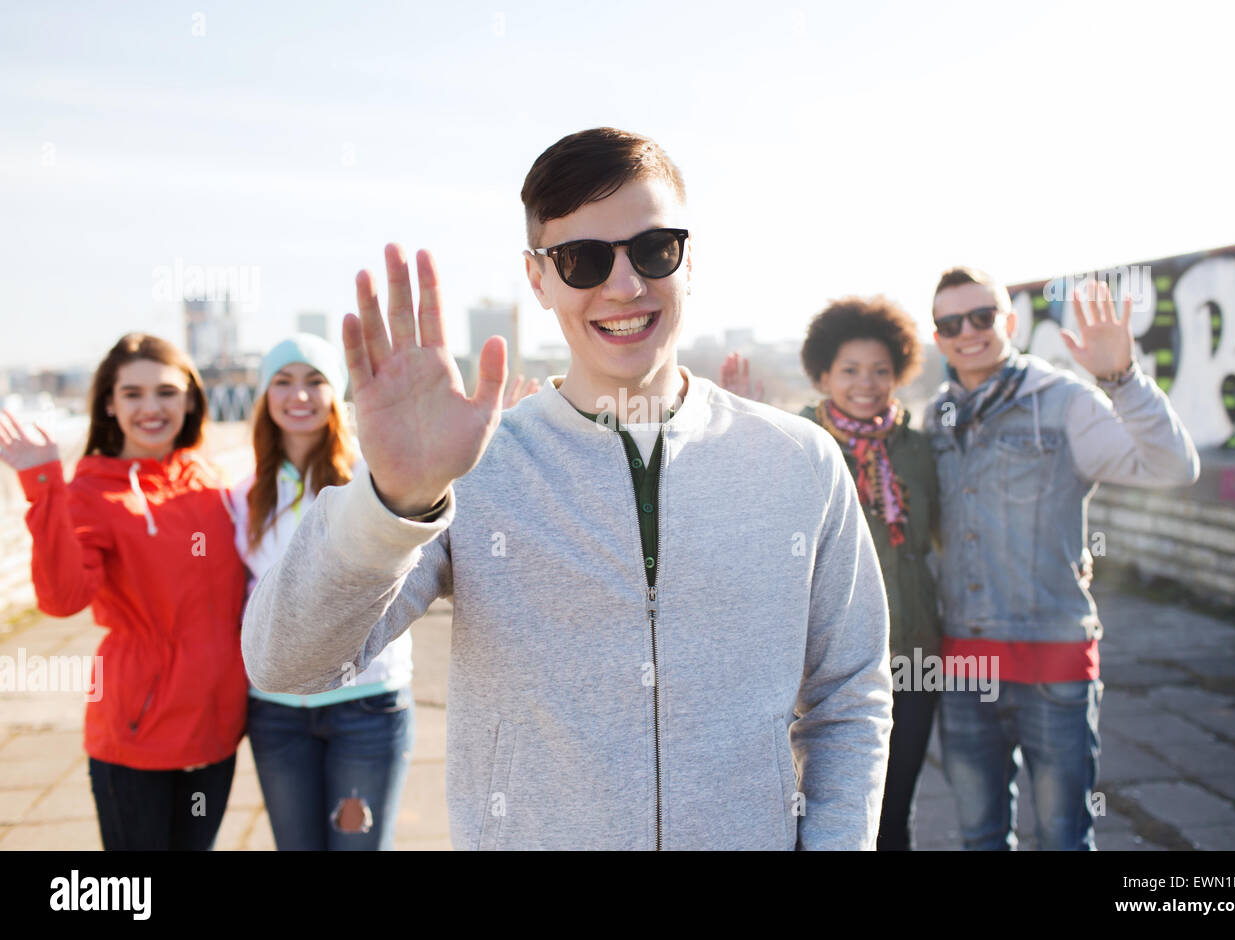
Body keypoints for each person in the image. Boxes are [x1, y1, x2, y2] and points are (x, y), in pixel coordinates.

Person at [242, 127, 893, 850]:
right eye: (583, 259)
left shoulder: (796, 461)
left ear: (687, 258)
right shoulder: (474, 468)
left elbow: (850, 695)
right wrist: (390, 504)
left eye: (654, 250)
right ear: (538, 278)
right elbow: (288, 662)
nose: (625, 286)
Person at [925, 266, 1199, 850]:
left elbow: (1173, 468)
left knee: (1063, 839)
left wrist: (1122, 378)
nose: (967, 332)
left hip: (1053, 659)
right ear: (937, 336)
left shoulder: (1064, 401)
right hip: (966, 667)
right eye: (950, 323)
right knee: (979, 837)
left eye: (982, 316)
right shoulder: (938, 417)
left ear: (1011, 321)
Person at [0, 333, 246, 850]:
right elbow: (62, 598)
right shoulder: (91, 492)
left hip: (218, 726)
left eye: (166, 391)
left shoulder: (210, 478)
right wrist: (43, 485)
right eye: (132, 394)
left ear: (191, 399)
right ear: (109, 404)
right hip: (138, 732)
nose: (151, 408)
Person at [230, 334, 415, 850]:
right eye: (283, 382)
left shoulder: (372, 479)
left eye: (316, 381)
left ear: (337, 394)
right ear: (265, 396)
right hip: (276, 710)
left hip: (368, 704)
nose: (300, 395)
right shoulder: (241, 496)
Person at [796, 296, 940, 851]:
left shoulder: (918, 450)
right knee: (824, 817)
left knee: (895, 809)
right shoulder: (798, 442)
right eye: (850, 370)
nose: (867, 383)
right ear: (824, 373)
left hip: (912, 657)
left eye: (881, 370)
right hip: (821, 666)